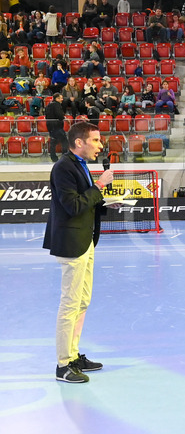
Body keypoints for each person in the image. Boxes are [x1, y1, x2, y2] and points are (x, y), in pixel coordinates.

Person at [43, 121, 116, 383]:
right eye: (95, 140)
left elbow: (84, 203)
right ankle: (63, 365)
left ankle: (73, 356)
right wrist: (99, 188)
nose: (100, 145)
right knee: (70, 304)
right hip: (72, 243)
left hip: (86, 241)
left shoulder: (80, 165)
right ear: (79, 143)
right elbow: (73, 206)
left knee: (82, 302)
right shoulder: (63, 167)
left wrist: (105, 202)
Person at [44, 92, 68, 162]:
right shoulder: (56, 105)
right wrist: (63, 117)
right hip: (56, 126)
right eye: (61, 98)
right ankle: (65, 156)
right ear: (57, 98)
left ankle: (53, 157)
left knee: (53, 141)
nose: (62, 99)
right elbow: (59, 115)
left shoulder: (49, 105)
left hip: (50, 126)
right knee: (64, 140)